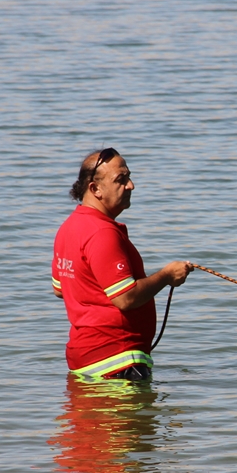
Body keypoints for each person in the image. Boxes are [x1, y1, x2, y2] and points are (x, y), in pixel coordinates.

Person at [53, 147, 193, 380]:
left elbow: (60, 289)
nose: (131, 185)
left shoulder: (69, 228)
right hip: (117, 362)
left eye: (128, 177)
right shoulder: (101, 232)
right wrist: (167, 275)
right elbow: (125, 298)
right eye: (121, 179)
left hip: (85, 362)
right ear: (95, 189)